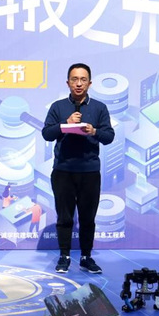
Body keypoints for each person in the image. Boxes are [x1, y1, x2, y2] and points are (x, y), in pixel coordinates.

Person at [42, 63, 115, 274]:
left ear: (90, 83)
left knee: (87, 218)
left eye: (83, 79)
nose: (79, 84)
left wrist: (94, 131)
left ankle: (86, 257)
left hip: (90, 171)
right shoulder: (58, 107)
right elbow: (47, 134)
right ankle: (64, 256)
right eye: (74, 79)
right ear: (68, 83)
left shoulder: (99, 108)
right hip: (63, 170)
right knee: (64, 217)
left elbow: (109, 137)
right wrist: (65, 124)